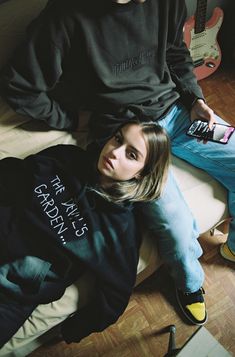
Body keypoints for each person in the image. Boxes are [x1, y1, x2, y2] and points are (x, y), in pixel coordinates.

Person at [0, 0, 234, 327]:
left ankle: (231, 246)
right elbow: (21, 88)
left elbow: (176, 53)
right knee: (177, 227)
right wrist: (69, 118)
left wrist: (194, 98)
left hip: (178, 110)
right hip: (123, 132)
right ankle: (190, 284)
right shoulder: (64, 16)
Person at [0, 120, 170, 347]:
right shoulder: (67, 157)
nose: (114, 152)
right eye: (118, 139)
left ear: (142, 173)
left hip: (13, 293)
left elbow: (116, 297)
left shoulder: (120, 228)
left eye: (131, 155)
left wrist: (74, 329)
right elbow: (13, 173)